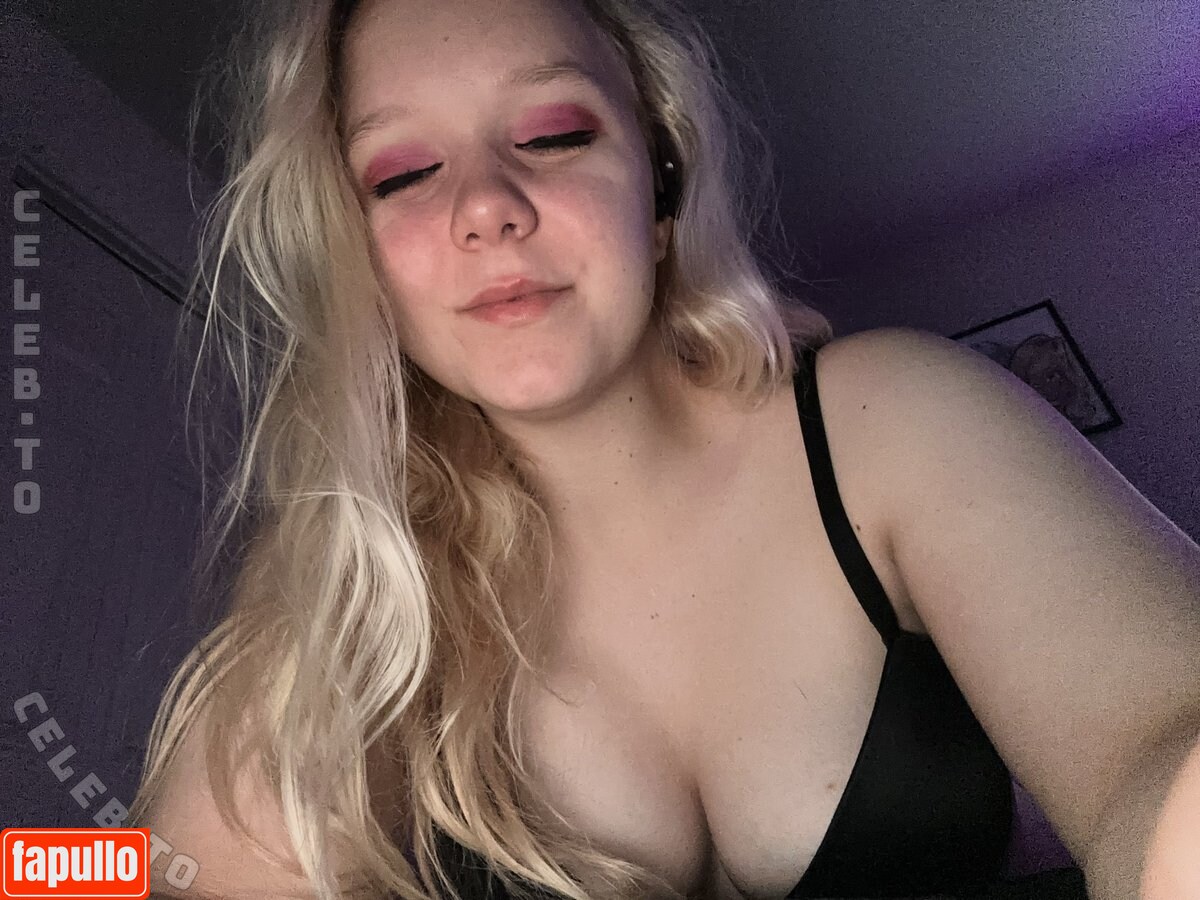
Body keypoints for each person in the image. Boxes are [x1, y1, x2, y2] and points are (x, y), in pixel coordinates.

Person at [130, 0, 1200, 897]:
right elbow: (107, 872)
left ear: (661, 190)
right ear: (360, 262)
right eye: (403, 173)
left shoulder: (897, 420)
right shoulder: (340, 606)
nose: (488, 206)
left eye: (554, 136)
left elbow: (1159, 739)